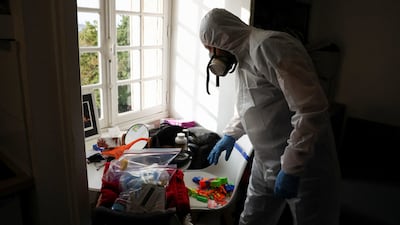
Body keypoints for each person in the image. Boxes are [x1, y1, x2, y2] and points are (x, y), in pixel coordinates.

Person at [200, 8, 341, 225]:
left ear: (222, 37)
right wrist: (230, 135)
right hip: (265, 160)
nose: (212, 56)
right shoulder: (242, 57)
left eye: (212, 48)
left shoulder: (269, 46)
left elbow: (310, 109)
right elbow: (252, 106)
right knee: (253, 218)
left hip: (304, 165)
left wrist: (292, 167)